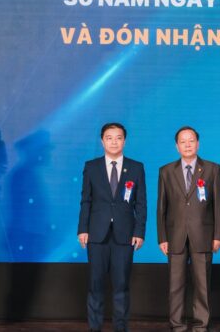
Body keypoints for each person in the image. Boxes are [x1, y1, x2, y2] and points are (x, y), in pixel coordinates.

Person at [77, 123, 147, 332]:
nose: (114, 142)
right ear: (102, 141)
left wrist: (139, 232)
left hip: (125, 235)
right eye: (109, 138)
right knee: (95, 285)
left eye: (118, 138)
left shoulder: (136, 167)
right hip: (96, 234)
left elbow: (141, 203)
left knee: (121, 285)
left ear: (124, 141)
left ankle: (121, 327)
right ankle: (94, 327)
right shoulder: (91, 167)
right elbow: (86, 200)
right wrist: (83, 229)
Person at [157, 126, 220, 332]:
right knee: (175, 285)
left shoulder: (213, 169)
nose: (187, 145)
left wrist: (218, 235)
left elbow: (219, 205)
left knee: (202, 285)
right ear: (176, 146)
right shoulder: (166, 171)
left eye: (191, 140)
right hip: (175, 236)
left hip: (203, 235)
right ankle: (176, 325)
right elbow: (161, 207)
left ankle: (201, 325)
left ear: (198, 143)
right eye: (183, 141)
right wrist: (162, 237)